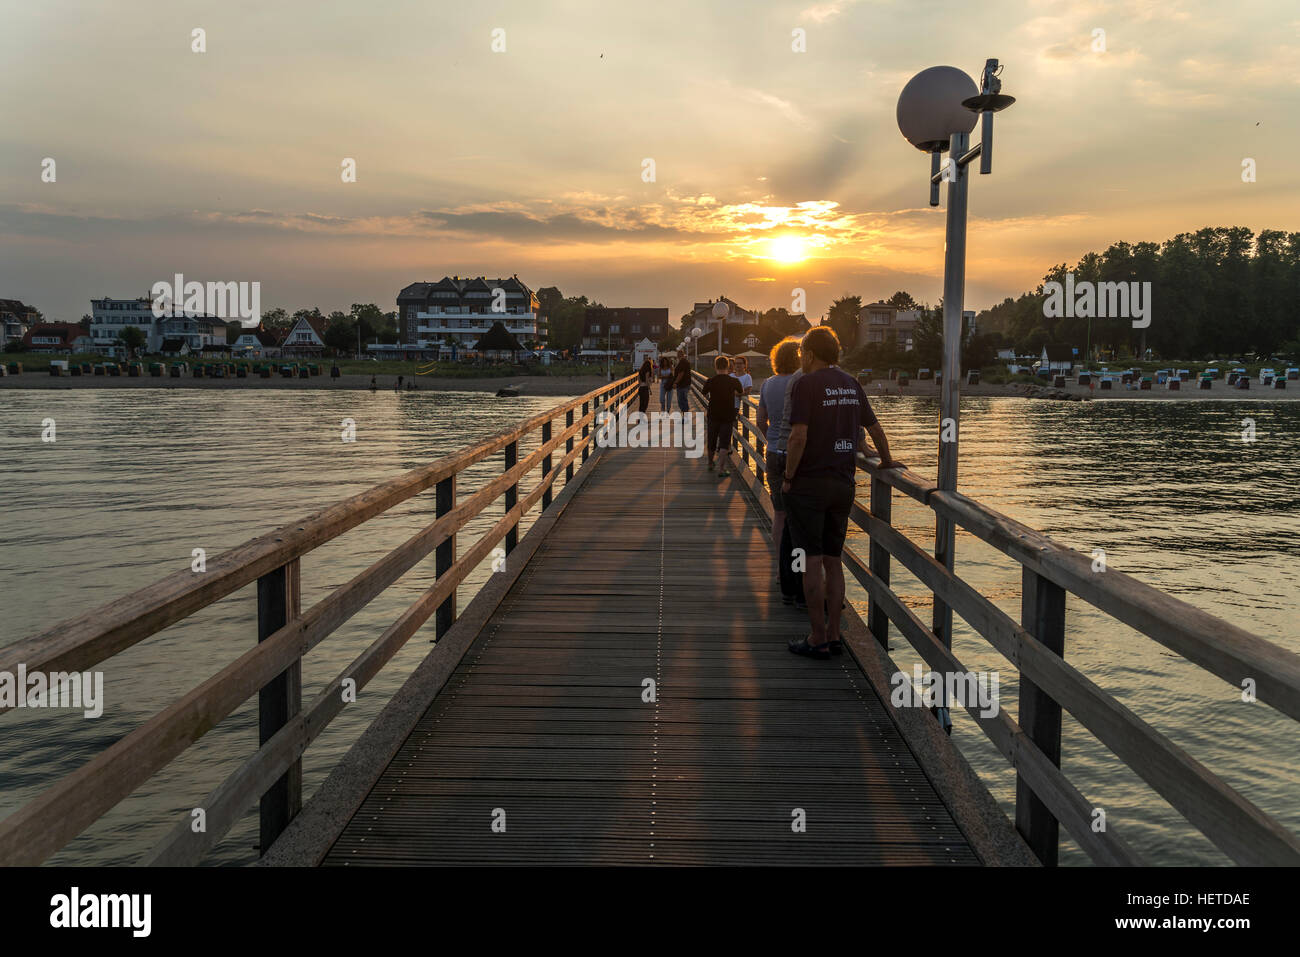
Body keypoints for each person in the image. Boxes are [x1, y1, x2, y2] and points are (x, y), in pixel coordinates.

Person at [782, 326, 902, 660]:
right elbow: (874, 428)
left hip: (809, 484)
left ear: (808, 353)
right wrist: (888, 461)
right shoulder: (851, 383)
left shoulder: (806, 384)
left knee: (811, 560)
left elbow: (798, 437)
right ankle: (835, 634)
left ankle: (817, 637)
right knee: (834, 562)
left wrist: (789, 477)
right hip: (843, 484)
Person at [757, 337, 802, 604]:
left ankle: (779, 569)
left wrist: (770, 439)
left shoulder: (768, 384)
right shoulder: (802, 382)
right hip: (798, 455)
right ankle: (800, 571)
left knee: (780, 513)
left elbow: (761, 420)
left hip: (774, 452)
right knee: (801, 516)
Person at [702, 355, 742, 476]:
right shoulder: (734, 381)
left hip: (713, 414)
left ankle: (710, 464)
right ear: (728, 366)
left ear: (715, 366)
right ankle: (721, 469)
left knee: (711, 441)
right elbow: (740, 391)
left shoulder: (711, 381)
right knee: (724, 442)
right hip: (727, 415)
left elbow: (704, 392)